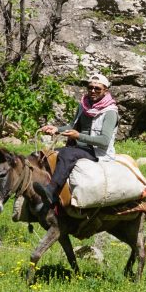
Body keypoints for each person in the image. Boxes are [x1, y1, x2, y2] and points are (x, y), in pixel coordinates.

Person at [33, 73, 119, 210]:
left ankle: (52, 190)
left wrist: (78, 136)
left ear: (105, 91)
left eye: (97, 88)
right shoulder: (84, 105)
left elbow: (104, 140)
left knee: (67, 154)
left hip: (97, 152)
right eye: (90, 87)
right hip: (79, 148)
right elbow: (72, 126)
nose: (93, 91)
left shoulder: (110, 112)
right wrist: (56, 129)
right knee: (46, 155)